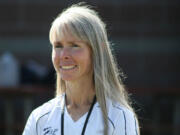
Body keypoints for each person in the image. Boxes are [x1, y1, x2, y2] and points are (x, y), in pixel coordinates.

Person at [23, 3, 140, 135]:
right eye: (58, 46)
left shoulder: (119, 117)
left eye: (74, 45)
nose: (64, 55)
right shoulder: (39, 118)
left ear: (97, 50)